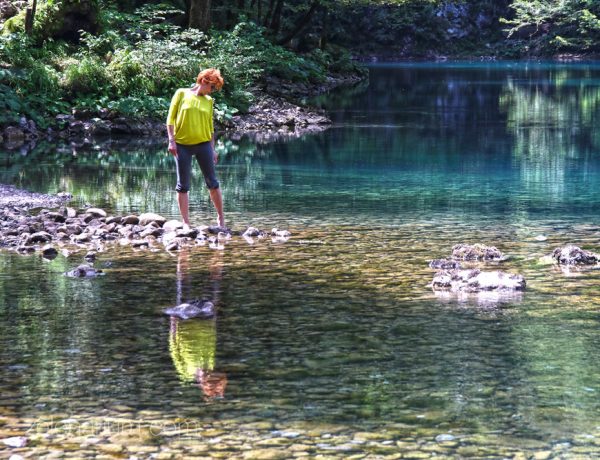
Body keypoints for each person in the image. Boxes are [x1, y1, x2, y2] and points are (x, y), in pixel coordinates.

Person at [166, 68, 225, 228]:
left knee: (212, 182)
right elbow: (170, 119)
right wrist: (171, 140)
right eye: (212, 87)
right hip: (182, 145)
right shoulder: (181, 93)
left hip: (203, 145)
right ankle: (185, 223)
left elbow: (210, 126)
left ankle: (221, 219)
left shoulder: (209, 101)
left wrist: (213, 148)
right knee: (183, 185)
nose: (212, 91)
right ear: (204, 81)